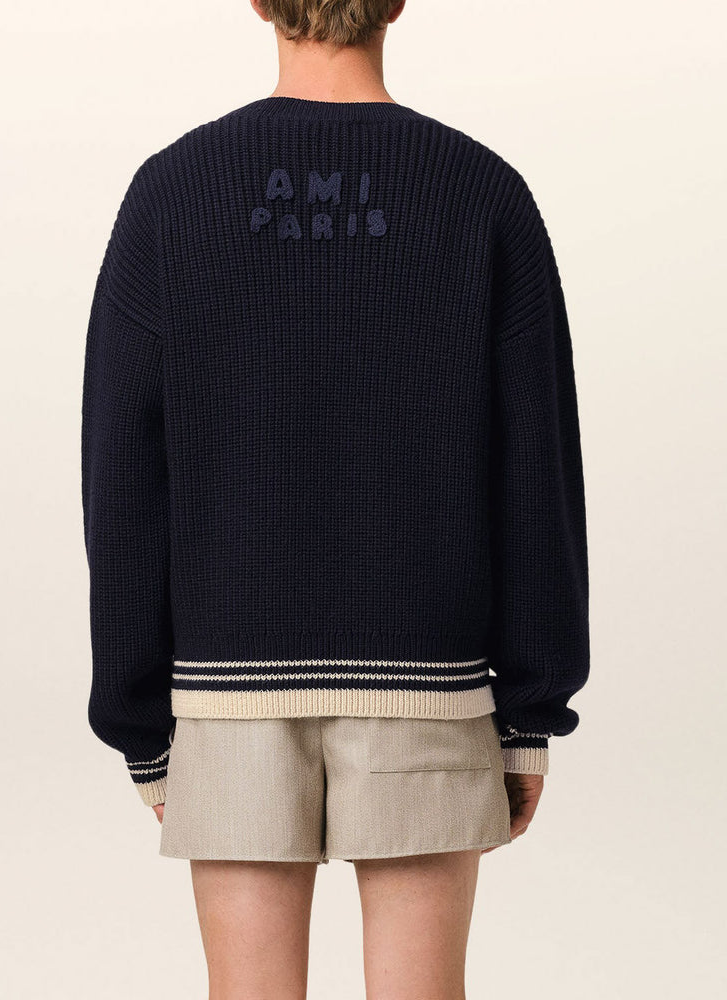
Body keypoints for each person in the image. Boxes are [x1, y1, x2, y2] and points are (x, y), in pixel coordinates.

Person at [80, 1, 590, 996]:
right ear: (395, 3)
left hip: (227, 688)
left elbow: (122, 476)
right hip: (429, 682)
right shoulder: (480, 192)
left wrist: (137, 718)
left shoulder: (171, 192)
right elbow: (535, 470)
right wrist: (530, 708)